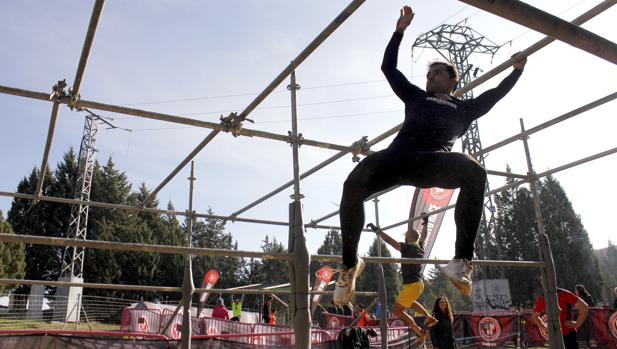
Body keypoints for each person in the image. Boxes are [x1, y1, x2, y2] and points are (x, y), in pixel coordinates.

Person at [333, 5, 527, 304]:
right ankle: (349, 265)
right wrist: (399, 32)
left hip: (433, 162)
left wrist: (517, 71)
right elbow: (389, 69)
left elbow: (495, 94)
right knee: (353, 182)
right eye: (429, 74)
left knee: (474, 171)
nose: (430, 77)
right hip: (398, 157)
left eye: (437, 73)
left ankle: (461, 261)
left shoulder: (465, 109)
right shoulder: (417, 96)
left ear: (453, 81)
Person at [367, 215, 437, 342]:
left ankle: (419, 332)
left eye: (406, 235)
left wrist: (378, 231)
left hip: (412, 285)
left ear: (409, 237)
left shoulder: (407, 247)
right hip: (418, 284)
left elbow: (390, 241)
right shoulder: (419, 247)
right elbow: (423, 236)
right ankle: (428, 317)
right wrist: (426, 222)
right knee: (410, 303)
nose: (404, 237)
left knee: (397, 310)